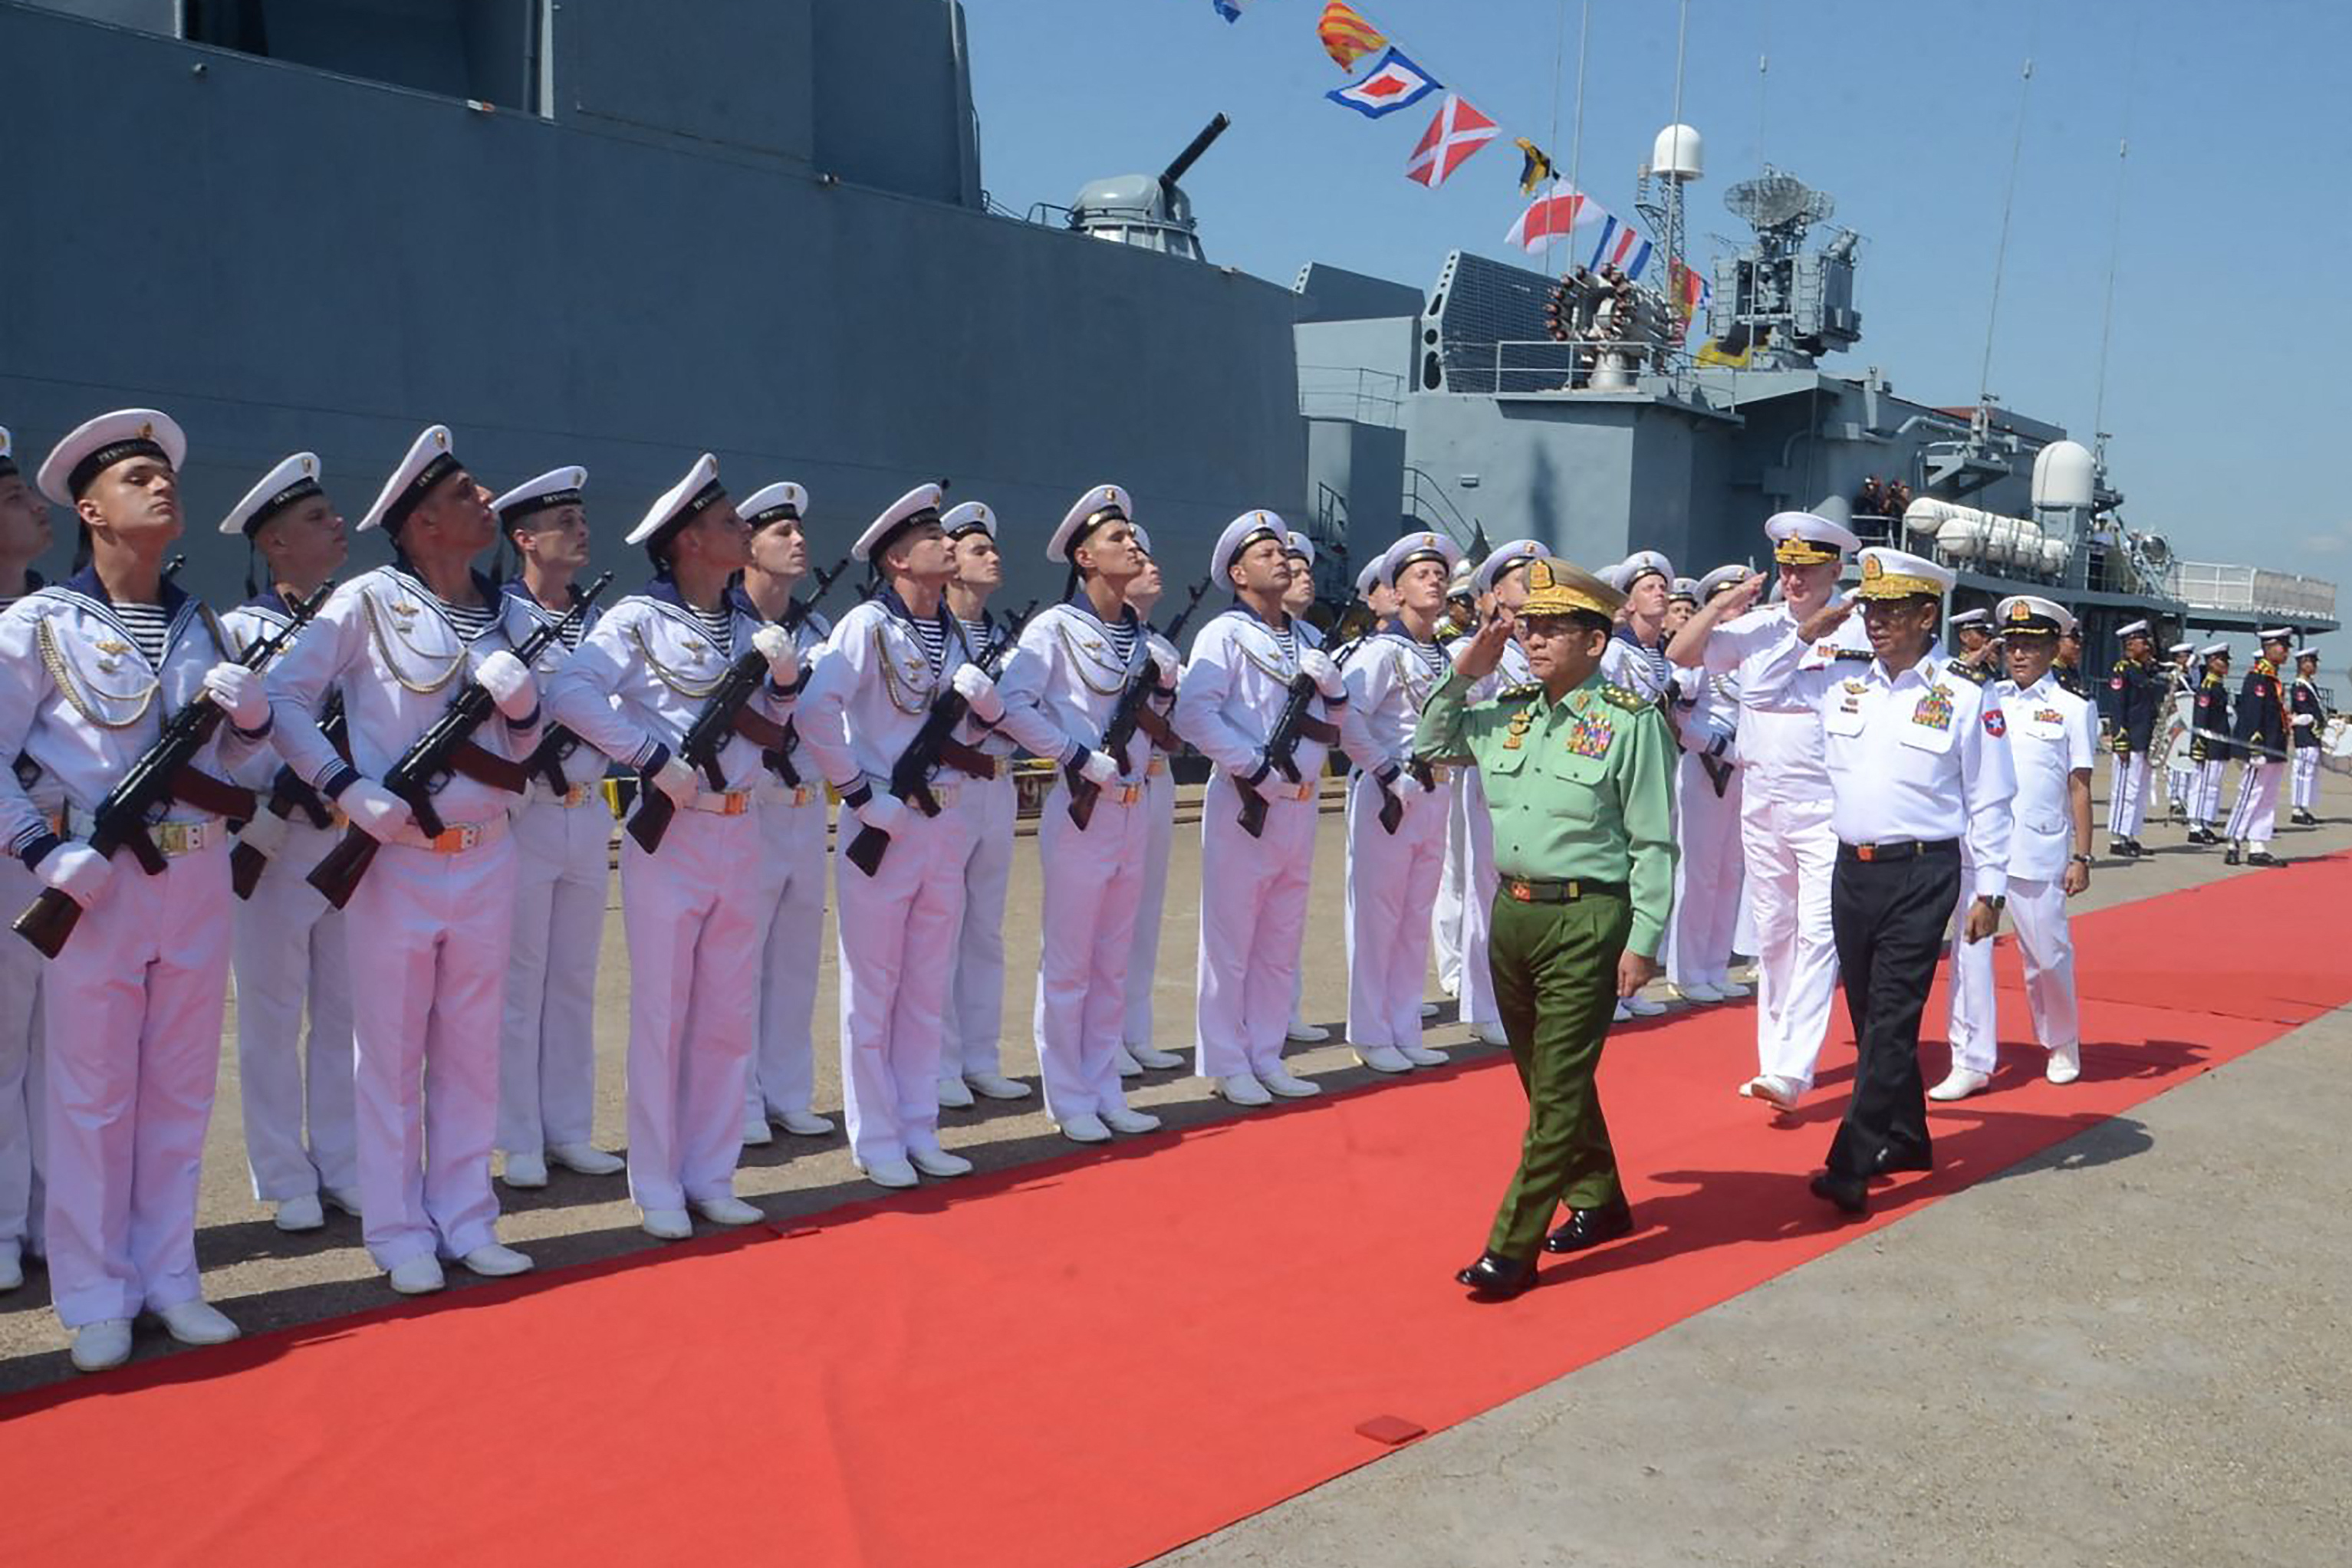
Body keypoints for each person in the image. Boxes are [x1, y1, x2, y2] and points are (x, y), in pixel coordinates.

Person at [1, 410, 275, 1368]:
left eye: (166, 475)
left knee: (179, 1087)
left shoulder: (201, 621)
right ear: (90, 509)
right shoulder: (38, 623)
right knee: (91, 1094)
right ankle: (93, 1292)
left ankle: (170, 1275)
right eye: (137, 478)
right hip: (97, 880)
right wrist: (38, 847)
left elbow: (236, 764)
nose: (162, 486)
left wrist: (249, 726)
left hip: (195, 874)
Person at [262, 423, 544, 1296]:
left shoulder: (509, 610)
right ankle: (397, 1230)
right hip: (396, 858)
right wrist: (347, 785)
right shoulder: (366, 601)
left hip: (489, 850)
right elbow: (281, 695)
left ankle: (467, 1215)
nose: (486, 502)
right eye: (465, 495)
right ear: (422, 521)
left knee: (470, 1046)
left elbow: (550, 721)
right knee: (387, 1053)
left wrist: (529, 710)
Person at [1414, 558, 1676, 1299]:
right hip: (1514, 913)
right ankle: (1599, 1197)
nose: (1533, 639)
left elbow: (1654, 840)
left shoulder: (1628, 720)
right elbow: (1432, 742)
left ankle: (1512, 1246)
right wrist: (1469, 667)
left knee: (1557, 1086)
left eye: (1554, 629)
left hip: (1587, 916)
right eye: (1529, 626)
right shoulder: (1511, 711)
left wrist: (1644, 937)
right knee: (1545, 1077)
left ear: (1595, 642)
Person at [546, 454, 791, 1239]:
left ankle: (710, 1173)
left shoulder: (751, 627)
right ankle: (655, 1183)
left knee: (725, 1013)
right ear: (688, 540)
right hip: (673, 832)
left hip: (741, 826)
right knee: (664, 1012)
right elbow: (571, 692)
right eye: (728, 524)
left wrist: (784, 686)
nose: (743, 531)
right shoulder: (637, 620)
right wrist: (649, 757)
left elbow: (777, 732)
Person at [1743, 547, 2015, 1216]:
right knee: (1869, 1018)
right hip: (1850, 869)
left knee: (1894, 1015)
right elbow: (1757, 690)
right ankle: (1909, 1135)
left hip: (1923, 870)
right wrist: (1803, 633)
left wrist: (1990, 891)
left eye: (1893, 611)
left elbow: (1989, 798)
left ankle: (1850, 1161)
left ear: (1929, 615)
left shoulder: (1962, 696)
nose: (1876, 623)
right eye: (1870, 609)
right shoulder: (1841, 681)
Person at [796, 485, 984, 1188]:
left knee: (927, 983)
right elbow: (817, 710)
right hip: (885, 821)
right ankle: (875, 1136)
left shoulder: (956, 631)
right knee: (872, 986)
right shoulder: (866, 625)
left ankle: (918, 1125)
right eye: (933, 537)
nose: (947, 544)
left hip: (942, 822)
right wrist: (858, 792)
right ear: (899, 557)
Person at [1665, 511, 1869, 1111]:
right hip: (1762, 796)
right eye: (1786, 567)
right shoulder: (1755, 627)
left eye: (1806, 568)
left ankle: (1793, 1067)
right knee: (1773, 933)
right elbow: (1681, 650)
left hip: (1825, 802)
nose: (1795, 579)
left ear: (1835, 568)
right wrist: (1719, 602)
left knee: (1818, 933)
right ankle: (1772, 1058)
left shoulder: (1859, 632)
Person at [990, 484, 1164, 1141]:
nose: (1133, 544)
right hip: (1083, 807)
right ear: (1085, 557)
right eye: (1118, 538)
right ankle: (1067, 1097)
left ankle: (1104, 1086)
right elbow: (1011, 704)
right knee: (1069, 962)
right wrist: (1072, 753)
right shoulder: (1055, 628)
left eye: (1132, 535)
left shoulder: (1139, 635)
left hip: (1131, 806)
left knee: (1112, 957)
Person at [218, 453, 360, 1233]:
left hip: (346, 840)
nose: (335, 525)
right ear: (273, 543)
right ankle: (282, 1172)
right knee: (271, 1016)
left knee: (346, 1010)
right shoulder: (237, 632)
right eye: (314, 519)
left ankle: (343, 1160)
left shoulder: (358, 621)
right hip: (271, 843)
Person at [1172, 511, 1347, 1107]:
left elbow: (1330, 730)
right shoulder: (1223, 635)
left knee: (1280, 937)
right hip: (1245, 800)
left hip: (1298, 806)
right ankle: (1226, 1060)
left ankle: (1267, 1053)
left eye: (1283, 550)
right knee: (1231, 939)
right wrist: (1253, 766)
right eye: (1267, 552)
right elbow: (1193, 715)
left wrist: (1336, 693)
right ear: (1238, 572)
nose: (1282, 559)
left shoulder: (1306, 639)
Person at [490, 466, 626, 1190]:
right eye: (563, 520)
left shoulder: (599, 619)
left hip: (587, 806)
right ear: (524, 537)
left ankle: (569, 1127)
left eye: (580, 517)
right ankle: (517, 1137)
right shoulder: (498, 616)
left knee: (573, 978)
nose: (580, 529)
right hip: (525, 814)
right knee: (521, 981)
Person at [1933, 596, 2094, 1100]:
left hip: (2038, 847)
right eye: (2014, 645)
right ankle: (1970, 1058)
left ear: (2052, 649)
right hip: (1980, 848)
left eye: (2032, 645)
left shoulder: (2072, 708)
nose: (2020, 655)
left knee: (2046, 956)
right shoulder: (1984, 697)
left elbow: (2078, 785)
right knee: (1970, 956)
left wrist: (2081, 855)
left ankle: (2060, 1039)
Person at [731, 482, 839, 1143]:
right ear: (747, 546)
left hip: (806, 806)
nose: (798, 542)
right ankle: (738, 1098)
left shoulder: (820, 627)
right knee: (740, 961)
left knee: (797, 958)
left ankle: (787, 1090)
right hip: (751, 805)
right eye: (780, 534)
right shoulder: (730, 624)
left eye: (798, 532)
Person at [1336, 531, 1462, 1072]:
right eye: (1420, 574)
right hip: (1390, 794)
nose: (1433, 579)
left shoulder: (1442, 654)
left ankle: (1404, 1024)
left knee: (1414, 914)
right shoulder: (1381, 651)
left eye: (1438, 572)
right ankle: (1370, 1030)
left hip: (1435, 792)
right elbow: (1347, 720)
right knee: (1379, 917)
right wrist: (1387, 770)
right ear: (1396, 589)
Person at [929, 501, 1035, 1109]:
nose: (991, 557)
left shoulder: (1003, 636)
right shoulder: (930, 631)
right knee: (941, 930)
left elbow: (1020, 717)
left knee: (986, 932)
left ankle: (980, 1055)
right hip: (945, 791)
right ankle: (941, 1062)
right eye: (977, 549)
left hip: (997, 787)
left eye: (991, 548)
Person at [1439, 537, 1543, 1049]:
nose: (1532, 580)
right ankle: (1483, 1005)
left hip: (1543, 786)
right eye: (1520, 575)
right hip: (1494, 781)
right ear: (1495, 591)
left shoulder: (1542, 645)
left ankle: (1524, 997)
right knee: (1487, 896)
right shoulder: (1472, 649)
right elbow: (1457, 714)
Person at [0, 424, 51, 1295]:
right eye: (12, 498)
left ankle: (54, 1218)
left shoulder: (57, 616)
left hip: (60, 850)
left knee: (61, 1048)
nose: (33, 507)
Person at [1117, 527, 1189, 1076]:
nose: (1150, 564)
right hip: (1110, 783)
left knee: (1143, 912)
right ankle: (1104, 1036)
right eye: (1137, 557)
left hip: (1156, 780)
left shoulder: (1159, 645)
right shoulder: (1093, 639)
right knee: (1104, 918)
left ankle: (1133, 1030)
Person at [1664, 564, 1750, 1004]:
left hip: (1746, 771)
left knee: (1730, 871)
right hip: (1707, 768)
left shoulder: (1752, 650)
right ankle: (1687, 968)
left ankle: (1716, 966)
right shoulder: (1702, 653)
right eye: (1736, 603)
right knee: (1698, 872)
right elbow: (1678, 719)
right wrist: (1718, 746)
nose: (1744, 610)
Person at [1278, 530, 1334, 1047]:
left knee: (1287, 910)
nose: (1301, 577)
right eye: (1290, 569)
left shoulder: (1314, 641)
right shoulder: (1238, 634)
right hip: (1262, 787)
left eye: (1302, 570)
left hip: (1305, 788)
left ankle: (1283, 1009)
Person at [2222, 630, 2293, 866]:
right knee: (2249, 794)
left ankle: (2257, 844)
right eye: (2282, 646)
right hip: (2260, 749)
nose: (2286, 652)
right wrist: (2255, 748)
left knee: (2268, 797)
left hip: (2274, 747)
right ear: (2269, 647)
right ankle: (2233, 841)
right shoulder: (2257, 678)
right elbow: (2252, 716)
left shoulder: (2271, 677)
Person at [2099, 619, 2162, 858]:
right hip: (2130, 738)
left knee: (2140, 790)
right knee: (2125, 790)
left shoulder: (2142, 669)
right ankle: (2117, 837)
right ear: (2130, 644)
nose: (2146, 646)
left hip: (2145, 738)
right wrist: (2120, 739)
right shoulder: (2122, 670)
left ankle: (2131, 834)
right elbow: (2118, 708)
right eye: (2141, 642)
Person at [2186, 643, 2232, 843]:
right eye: (2222, 660)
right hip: (2209, 746)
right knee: (2202, 786)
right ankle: (2196, 827)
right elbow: (2200, 720)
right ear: (2212, 662)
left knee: (2213, 786)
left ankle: (2205, 824)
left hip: (2219, 745)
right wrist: (2198, 746)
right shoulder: (2207, 688)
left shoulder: (2217, 686)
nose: (2226, 664)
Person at [2289, 646, 2327, 824]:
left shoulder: (2310, 685)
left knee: (2310, 773)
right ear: (2303, 664)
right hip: (2305, 734)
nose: (2314, 666)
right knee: (2302, 772)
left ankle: (2304, 807)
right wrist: (2316, 723)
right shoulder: (2300, 687)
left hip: (2313, 735)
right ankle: (2297, 809)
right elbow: (2304, 712)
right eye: (2311, 662)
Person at [2052, 626, 2092, 701]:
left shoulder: (2071, 672)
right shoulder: (2050, 672)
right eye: (2074, 640)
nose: (2078, 647)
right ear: (2058, 642)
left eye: (2080, 642)